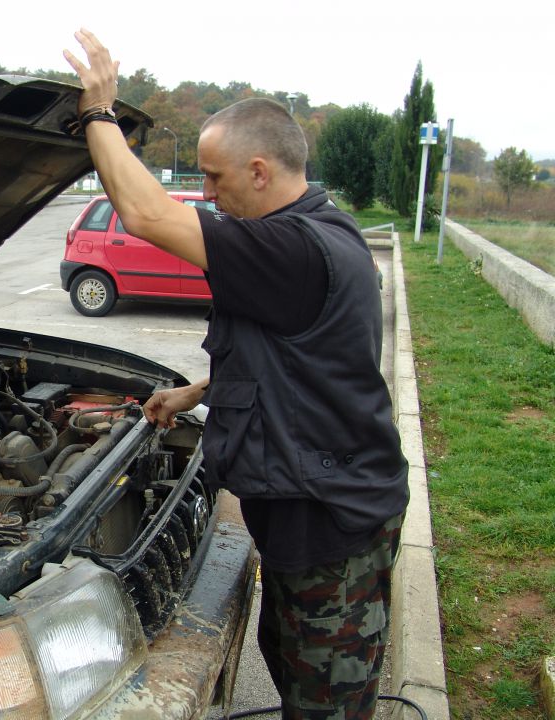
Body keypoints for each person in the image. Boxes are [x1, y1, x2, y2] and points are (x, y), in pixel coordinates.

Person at [64, 29, 409, 720]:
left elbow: (146, 213)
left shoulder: (293, 248)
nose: (208, 195)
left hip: (330, 525)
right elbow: (297, 361)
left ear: (259, 170)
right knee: (290, 668)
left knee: (328, 705)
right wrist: (198, 391)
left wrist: (98, 114)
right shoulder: (315, 236)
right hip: (306, 518)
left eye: (215, 178)